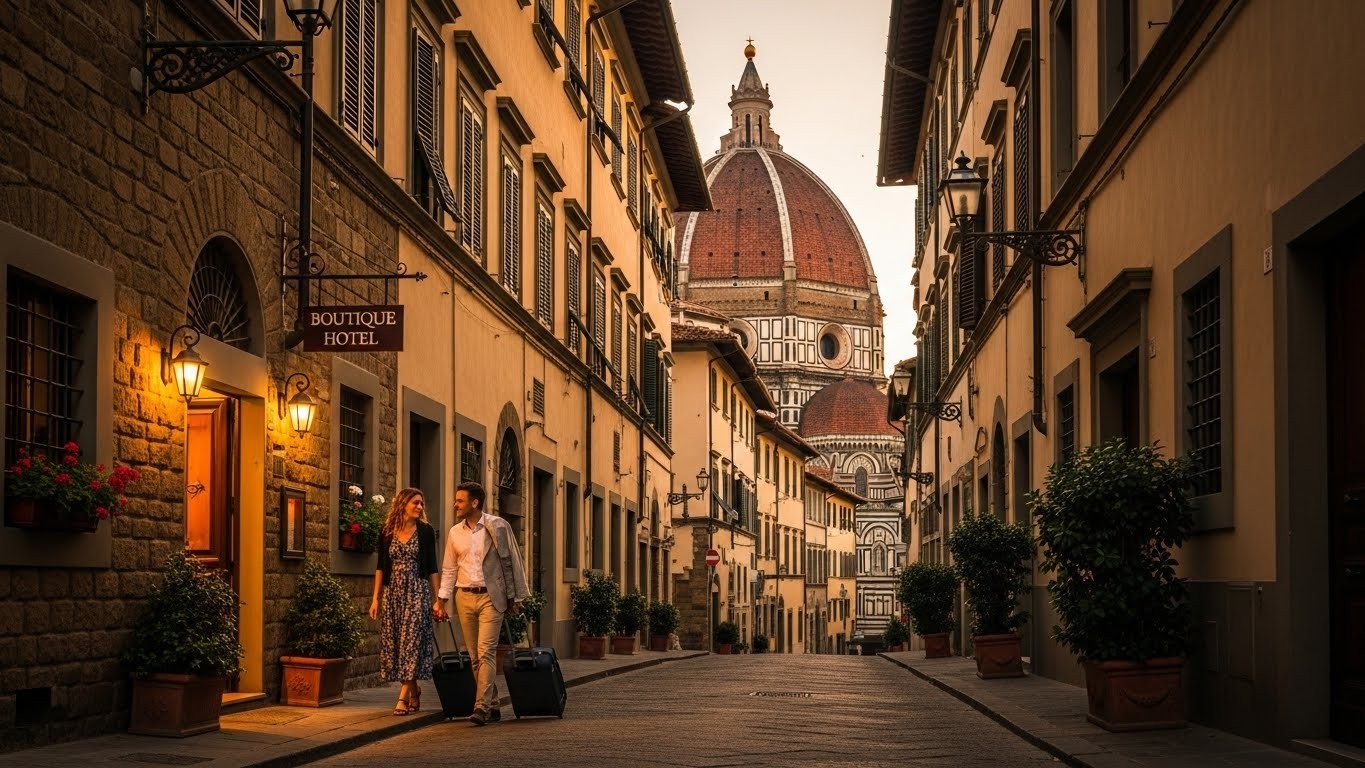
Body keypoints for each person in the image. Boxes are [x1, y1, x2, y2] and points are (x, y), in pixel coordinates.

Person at [433, 481, 529, 726]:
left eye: (460, 500)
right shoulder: (455, 532)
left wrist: (516, 596)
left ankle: (481, 707)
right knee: (474, 656)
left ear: (474, 503)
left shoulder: (497, 526)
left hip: (491, 597)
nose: (455, 504)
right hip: (464, 597)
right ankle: (494, 702)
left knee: (486, 652)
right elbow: (449, 568)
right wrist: (441, 600)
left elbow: (512, 561)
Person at [369, 487, 439, 716]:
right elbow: (380, 567)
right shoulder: (387, 531)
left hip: (417, 591)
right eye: (415, 503)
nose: (420, 507)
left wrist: (438, 600)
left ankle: (401, 699)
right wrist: (375, 599)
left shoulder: (426, 532)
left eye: (421, 504)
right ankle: (414, 690)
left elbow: (432, 568)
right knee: (397, 642)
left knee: (411, 640)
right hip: (393, 593)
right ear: (403, 504)